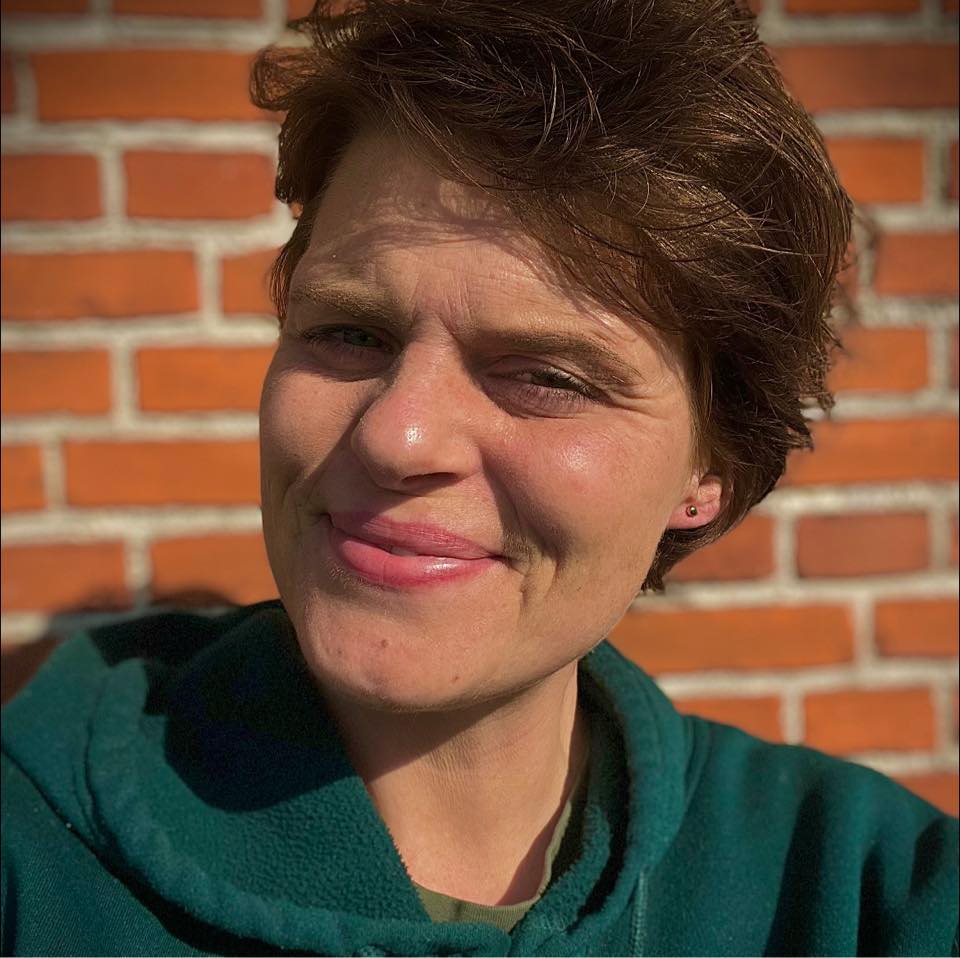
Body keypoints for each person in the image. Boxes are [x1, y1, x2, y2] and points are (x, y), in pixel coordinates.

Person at [2, 0, 957, 954]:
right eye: (349, 332)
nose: (398, 435)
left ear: (714, 467)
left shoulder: (863, 898)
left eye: (546, 377)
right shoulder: (32, 863)